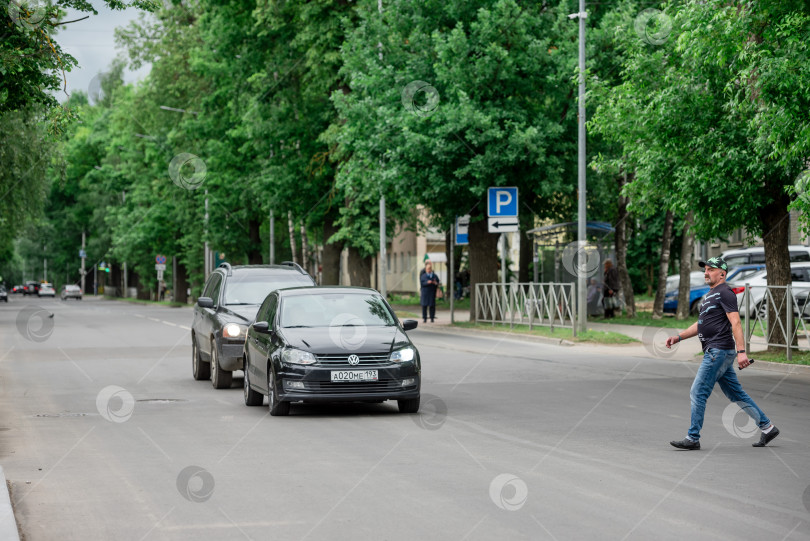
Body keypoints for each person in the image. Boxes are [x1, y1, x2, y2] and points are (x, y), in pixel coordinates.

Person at [665, 256, 779, 450]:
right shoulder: (711, 294)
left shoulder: (725, 292)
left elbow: (735, 322)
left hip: (718, 350)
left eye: (710, 269)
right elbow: (701, 324)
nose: (706, 273)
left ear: (722, 274)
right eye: (705, 269)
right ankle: (767, 427)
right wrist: (679, 337)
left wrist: (742, 352)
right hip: (719, 351)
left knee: (698, 392)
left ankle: (693, 438)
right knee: (736, 393)